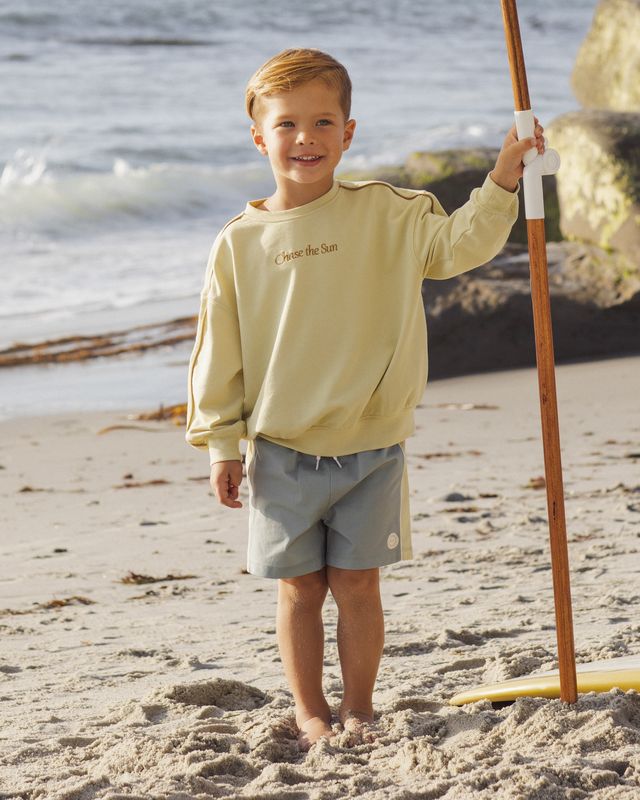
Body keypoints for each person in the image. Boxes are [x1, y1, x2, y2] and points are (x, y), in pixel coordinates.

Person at [185, 48, 545, 751]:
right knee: (298, 591)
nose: (305, 138)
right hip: (281, 450)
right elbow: (217, 353)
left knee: (356, 585)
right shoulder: (240, 243)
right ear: (259, 137)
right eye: (286, 124)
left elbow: (458, 246)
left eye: (324, 121)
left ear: (349, 132)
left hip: (372, 447)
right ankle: (310, 710)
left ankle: (359, 706)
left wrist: (504, 174)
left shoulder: (389, 213)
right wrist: (220, 444)